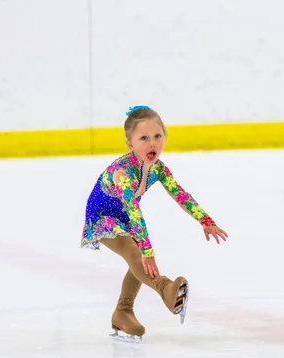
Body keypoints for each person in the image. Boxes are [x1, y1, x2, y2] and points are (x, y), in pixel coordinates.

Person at [81, 105, 228, 342]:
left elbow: (180, 194)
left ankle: (122, 312)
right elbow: (134, 209)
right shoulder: (122, 172)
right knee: (134, 252)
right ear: (130, 144)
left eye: (157, 136)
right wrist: (147, 251)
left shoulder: (157, 169)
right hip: (101, 216)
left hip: (125, 216)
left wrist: (206, 221)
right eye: (144, 138)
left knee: (136, 255)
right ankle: (166, 289)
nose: (152, 144)